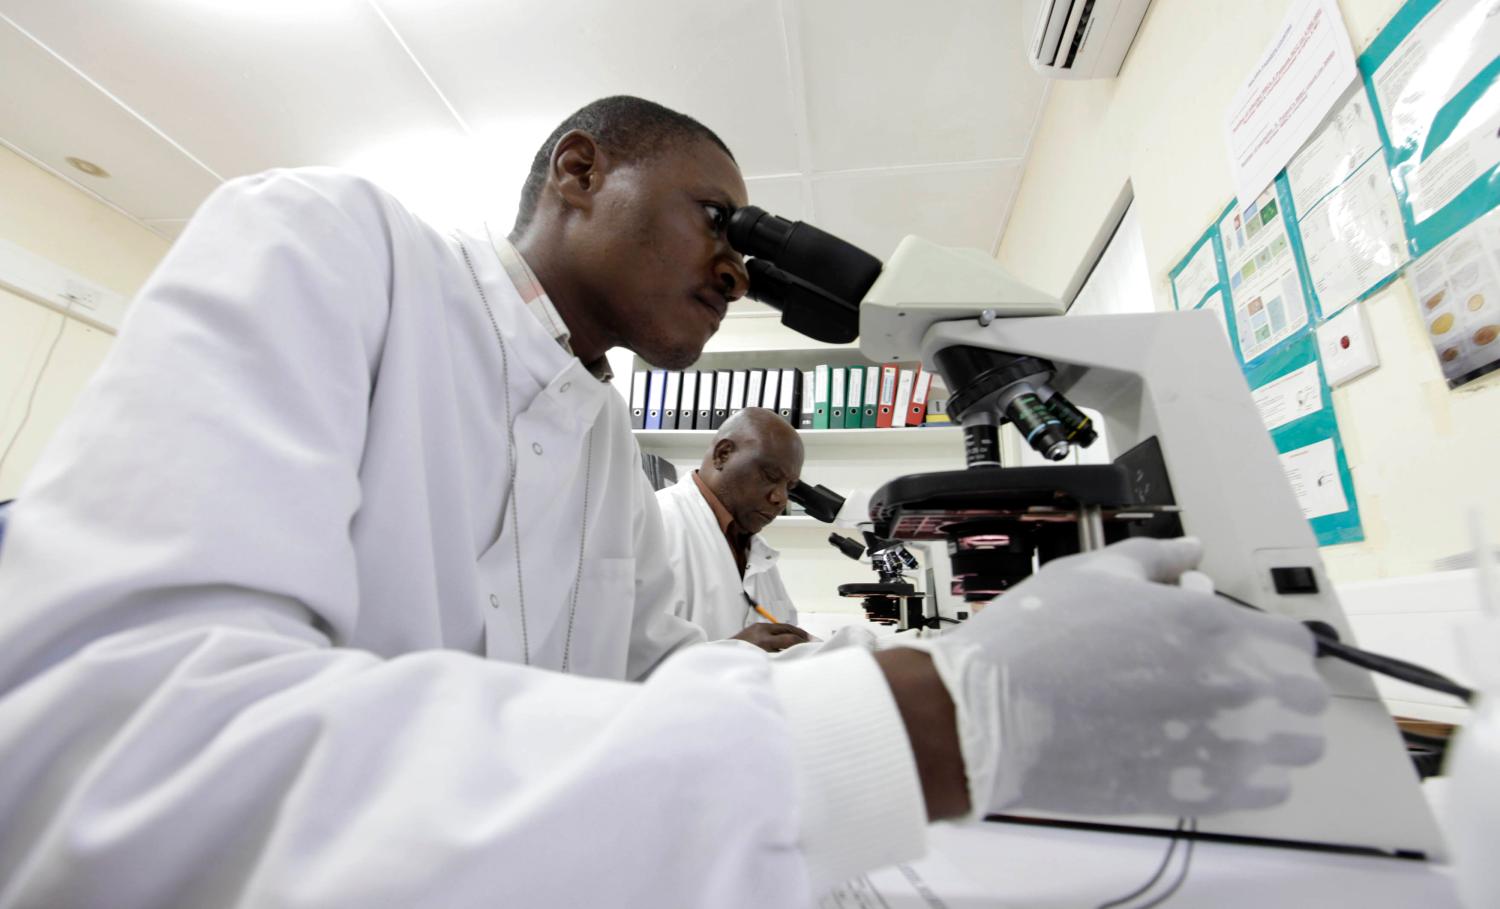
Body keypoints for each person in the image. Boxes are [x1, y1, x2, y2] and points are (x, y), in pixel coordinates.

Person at [0, 96, 1330, 907]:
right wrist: (934, 720)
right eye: (719, 221)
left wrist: (936, 659)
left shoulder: (599, 438)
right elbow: (105, 757)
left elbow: (649, 686)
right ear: (581, 172)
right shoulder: (332, 243)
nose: (739, 270)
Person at [657, 407, 808, 649]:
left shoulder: (756, 550)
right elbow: (626, 656)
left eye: (789, 486)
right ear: (723, 454)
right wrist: (734, 650)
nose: (781, 498)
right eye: (770, 476)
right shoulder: (657, 524)